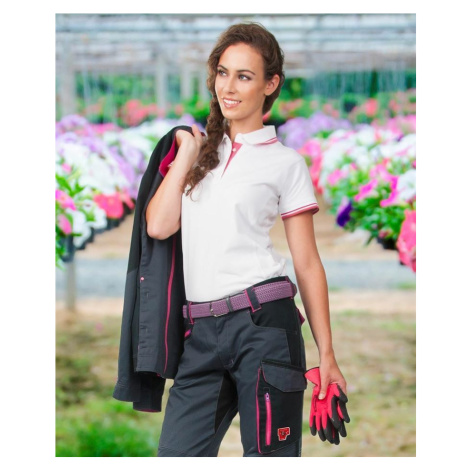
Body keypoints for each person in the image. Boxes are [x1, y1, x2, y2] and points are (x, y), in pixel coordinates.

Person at [145, 22, 347, 457]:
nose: (228, 87)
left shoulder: (285, 163)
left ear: (270, 84)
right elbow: (158, 226)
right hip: (199, 332)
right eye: (223, 73)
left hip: (263, 325)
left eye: (244, 76)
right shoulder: (197, 154)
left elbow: (307, 262)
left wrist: (327, 353)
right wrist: (186, 154)